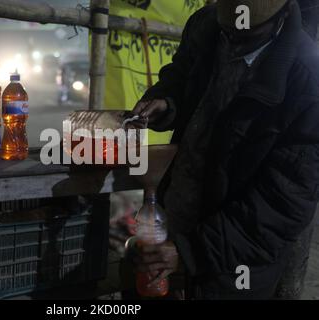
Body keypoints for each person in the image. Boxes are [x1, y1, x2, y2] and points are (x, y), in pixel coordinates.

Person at [131, 0, 319, 299]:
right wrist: (166, 101)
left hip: (233, 262)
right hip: (176, 217)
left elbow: (282, 203)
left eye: (245, 36)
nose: (231, 44)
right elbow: (182, 73)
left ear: (279, 17)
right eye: (226, 33)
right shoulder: (208, 25)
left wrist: (191, 252)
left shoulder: (306, 81)